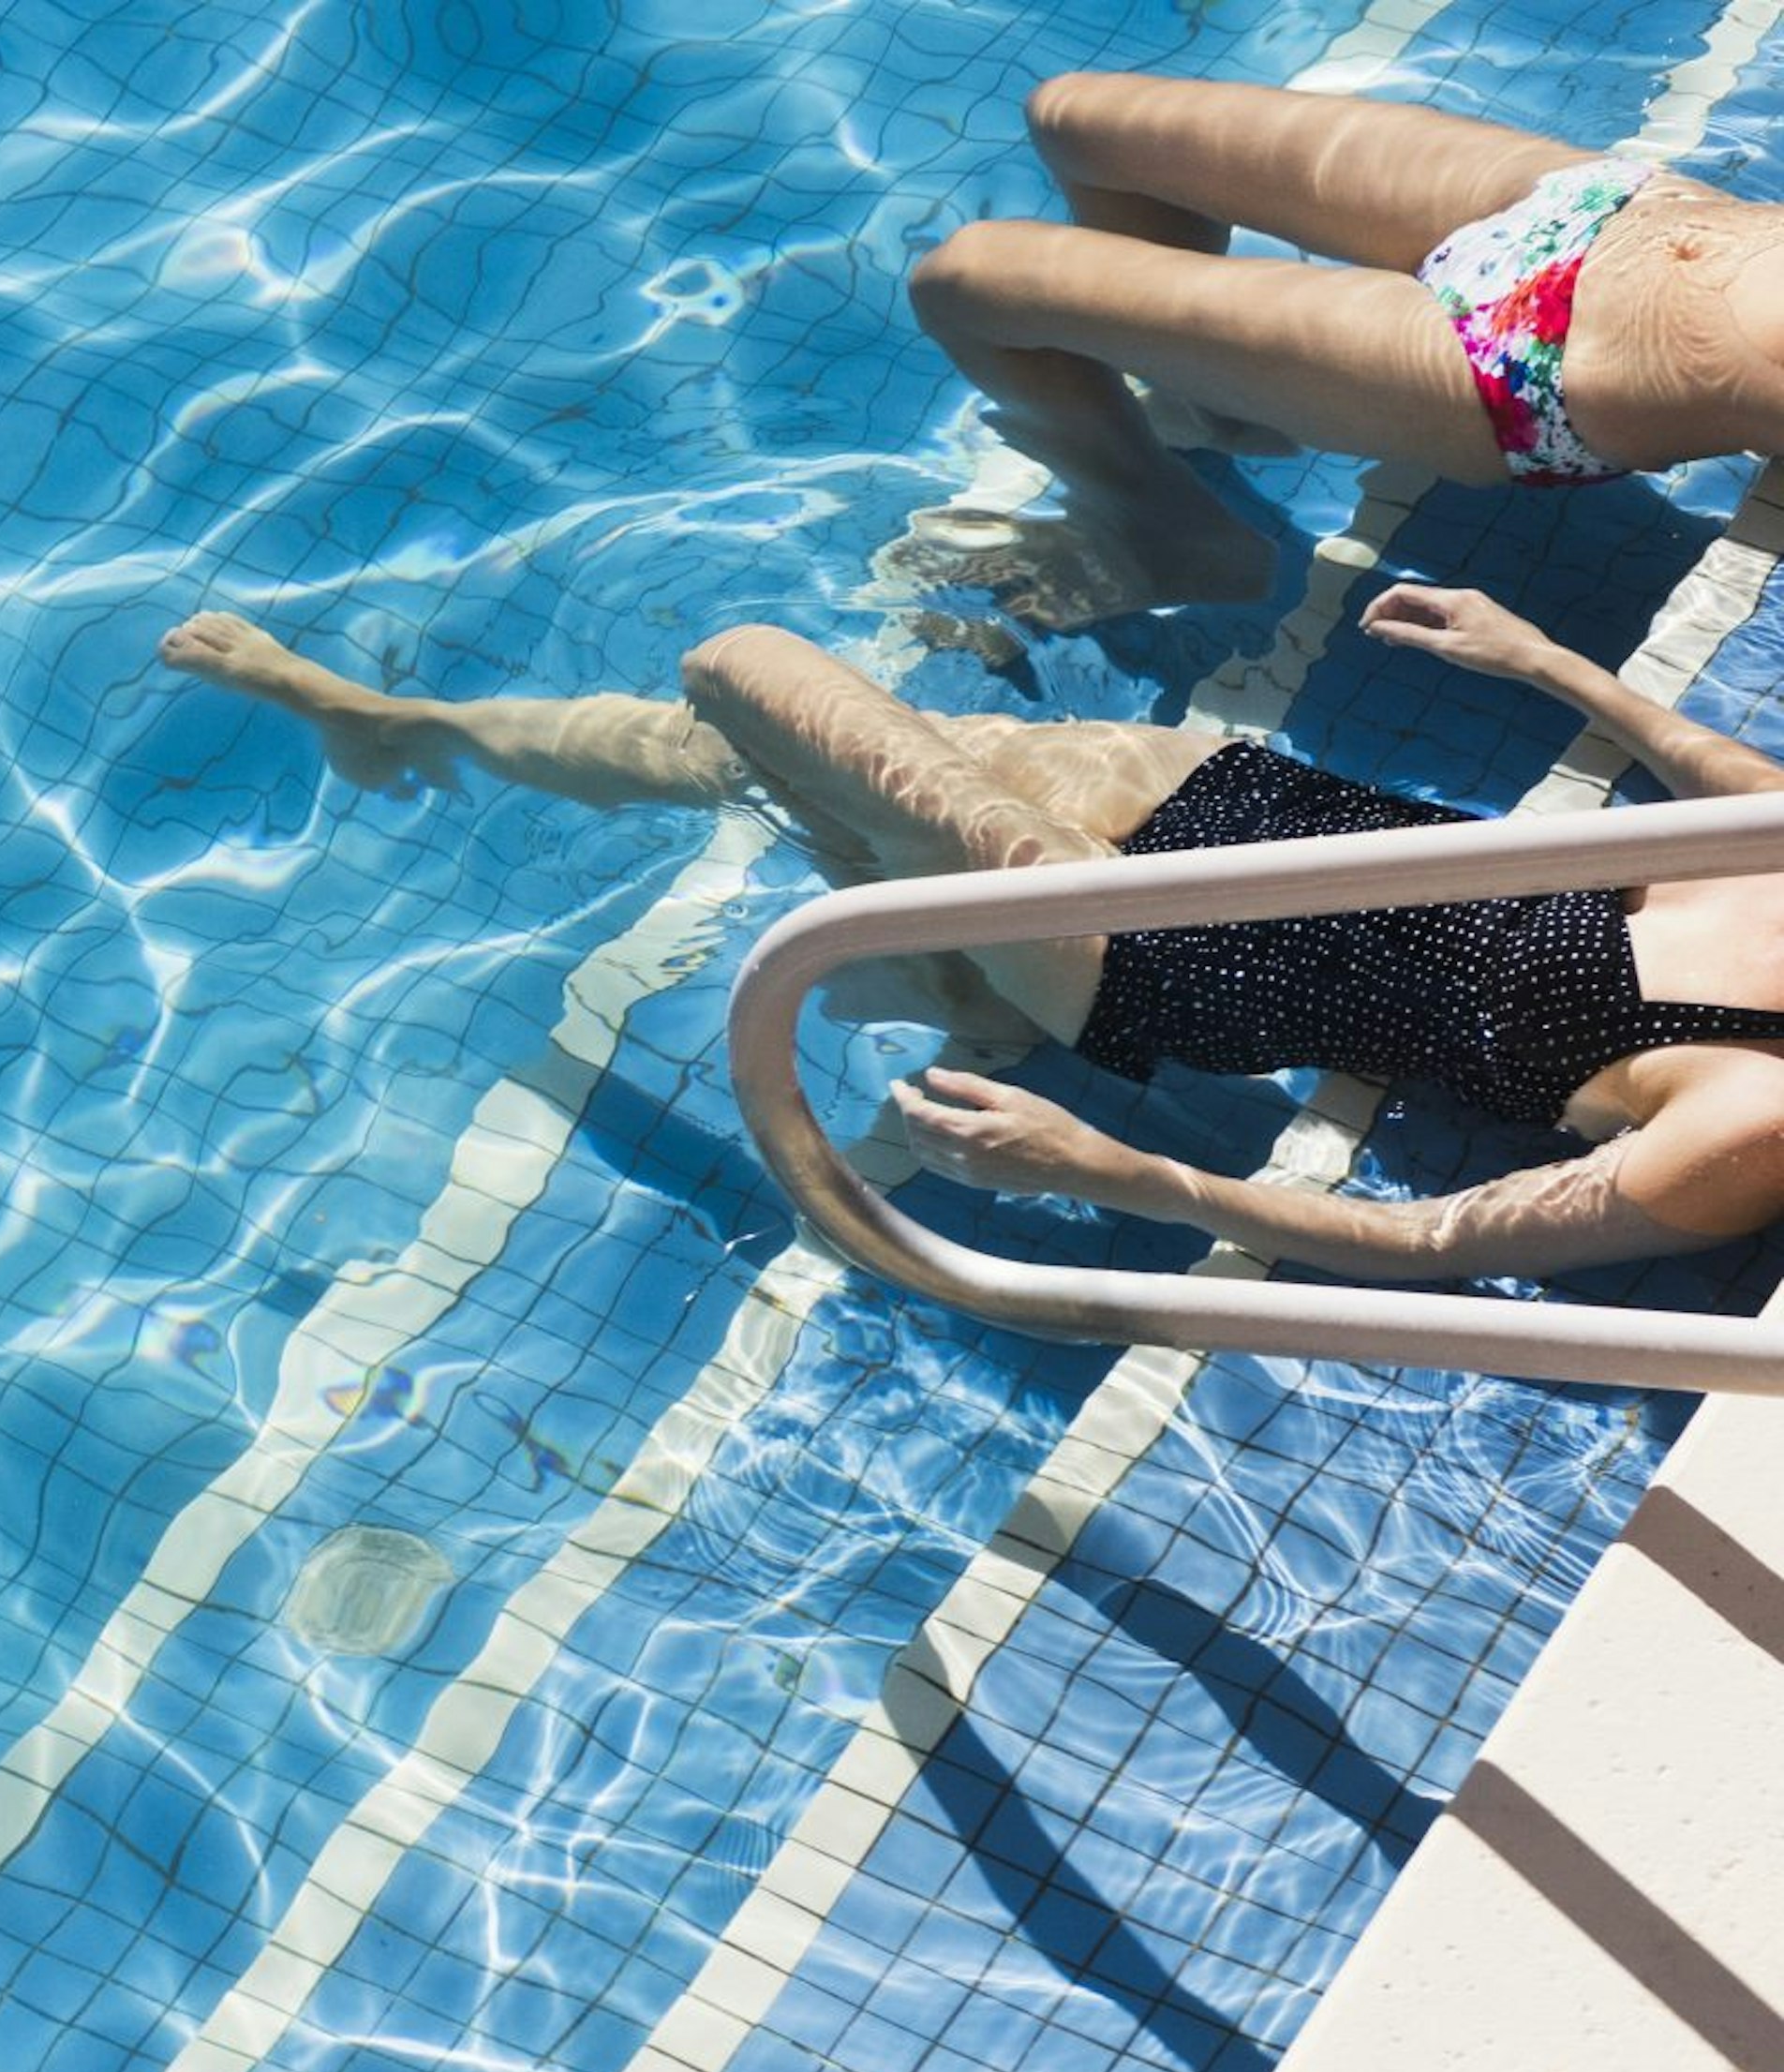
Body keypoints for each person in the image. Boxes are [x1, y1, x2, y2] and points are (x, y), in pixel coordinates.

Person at [157, 587, 1784, 1279]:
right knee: (753, 751)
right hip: (1252, 811)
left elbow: (1444, 1244)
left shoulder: (1753, 1122)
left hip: (1166, 961)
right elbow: (1726, 784)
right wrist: (1546, 662)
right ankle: (393, 719)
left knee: (748, 675)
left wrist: (1121, 1176)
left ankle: (975, 985)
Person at [896, 74, 1784, 623]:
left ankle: (1167, 532)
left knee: (965, 280)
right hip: (1606, 207)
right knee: (1075, 119)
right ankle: (1220, 404)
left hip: (1516, 374)